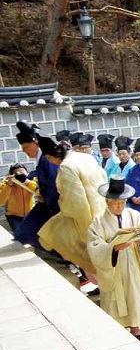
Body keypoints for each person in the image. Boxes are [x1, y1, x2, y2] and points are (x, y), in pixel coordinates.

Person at [87, 175, 140, 348]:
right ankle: (118, 335)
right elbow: (94, 245)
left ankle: (139, 332)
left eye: (122, 202)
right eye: (115, 203)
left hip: (135, 264)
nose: (120, 206)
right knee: (117, 300)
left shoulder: (134, 215)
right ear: (107, 201)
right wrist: (112, 249)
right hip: (115, 269)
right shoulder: (98, 221)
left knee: (137, 298)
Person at [37, 138, 107, 290]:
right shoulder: (86, 157)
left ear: (54, 155)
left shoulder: (66, 167)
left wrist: (83, 233)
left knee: (51, 235)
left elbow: (75, 204)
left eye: (49, 158)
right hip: (103, 211)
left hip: (86, 217)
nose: (50, 162)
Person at [13, 122, 60, 253]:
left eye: (26, 147)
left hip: (53, 205)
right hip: (46, 202)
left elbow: (54, 184)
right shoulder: (41, 159)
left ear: (35, 143)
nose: (25, 151)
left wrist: (46, 198)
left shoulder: (47, 158)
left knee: (26, 233)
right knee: (23, 233)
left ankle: (63, 258)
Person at [0, 164, 38, 232]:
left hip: (30, 214)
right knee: (20, 236)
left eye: (23, 173)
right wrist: (9, 185)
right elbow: (0, 201)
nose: (21, 175)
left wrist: (27, 182)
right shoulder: (6, 182)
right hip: (13, 216)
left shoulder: (32, 180)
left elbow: (40, 192)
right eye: (18, 174)